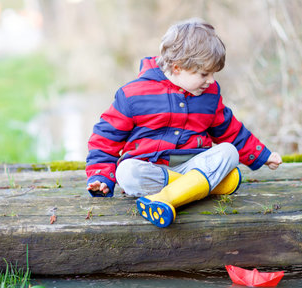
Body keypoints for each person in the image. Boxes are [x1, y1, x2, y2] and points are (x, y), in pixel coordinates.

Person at [86, 18, 282, 228]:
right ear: (177, 67)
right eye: (204, 74)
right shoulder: (134, 94)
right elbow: (105, 137)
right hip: (153, 169)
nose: (211, 81)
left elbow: (230, 131)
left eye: (213, 73)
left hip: (193, 165)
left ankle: (165, 198)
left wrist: (261, 154)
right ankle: (201, 186)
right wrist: (101, 175)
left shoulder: (209, 94)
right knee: (126, 173)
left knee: (229, 152)